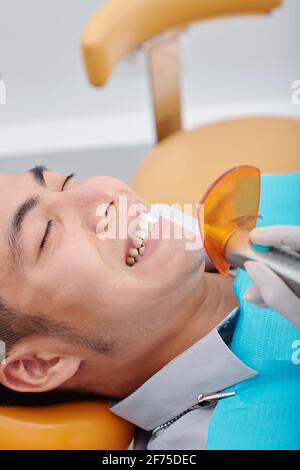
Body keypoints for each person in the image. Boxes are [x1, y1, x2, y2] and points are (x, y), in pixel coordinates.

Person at [0, 166, 299, 449]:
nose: (103, 192)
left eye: (65, 181)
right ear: (38, 365)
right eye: (46, 235)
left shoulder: (256, 201)